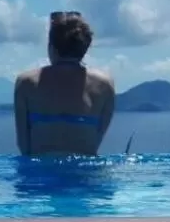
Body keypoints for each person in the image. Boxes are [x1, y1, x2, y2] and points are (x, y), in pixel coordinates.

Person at [13, 11, 116, 156]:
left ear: (52, 47)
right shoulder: (104, 84)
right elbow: (96, 141)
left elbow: (23, 144)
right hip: (85, 173)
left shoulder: (26, 82)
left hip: (39, 173)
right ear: (84, 48)